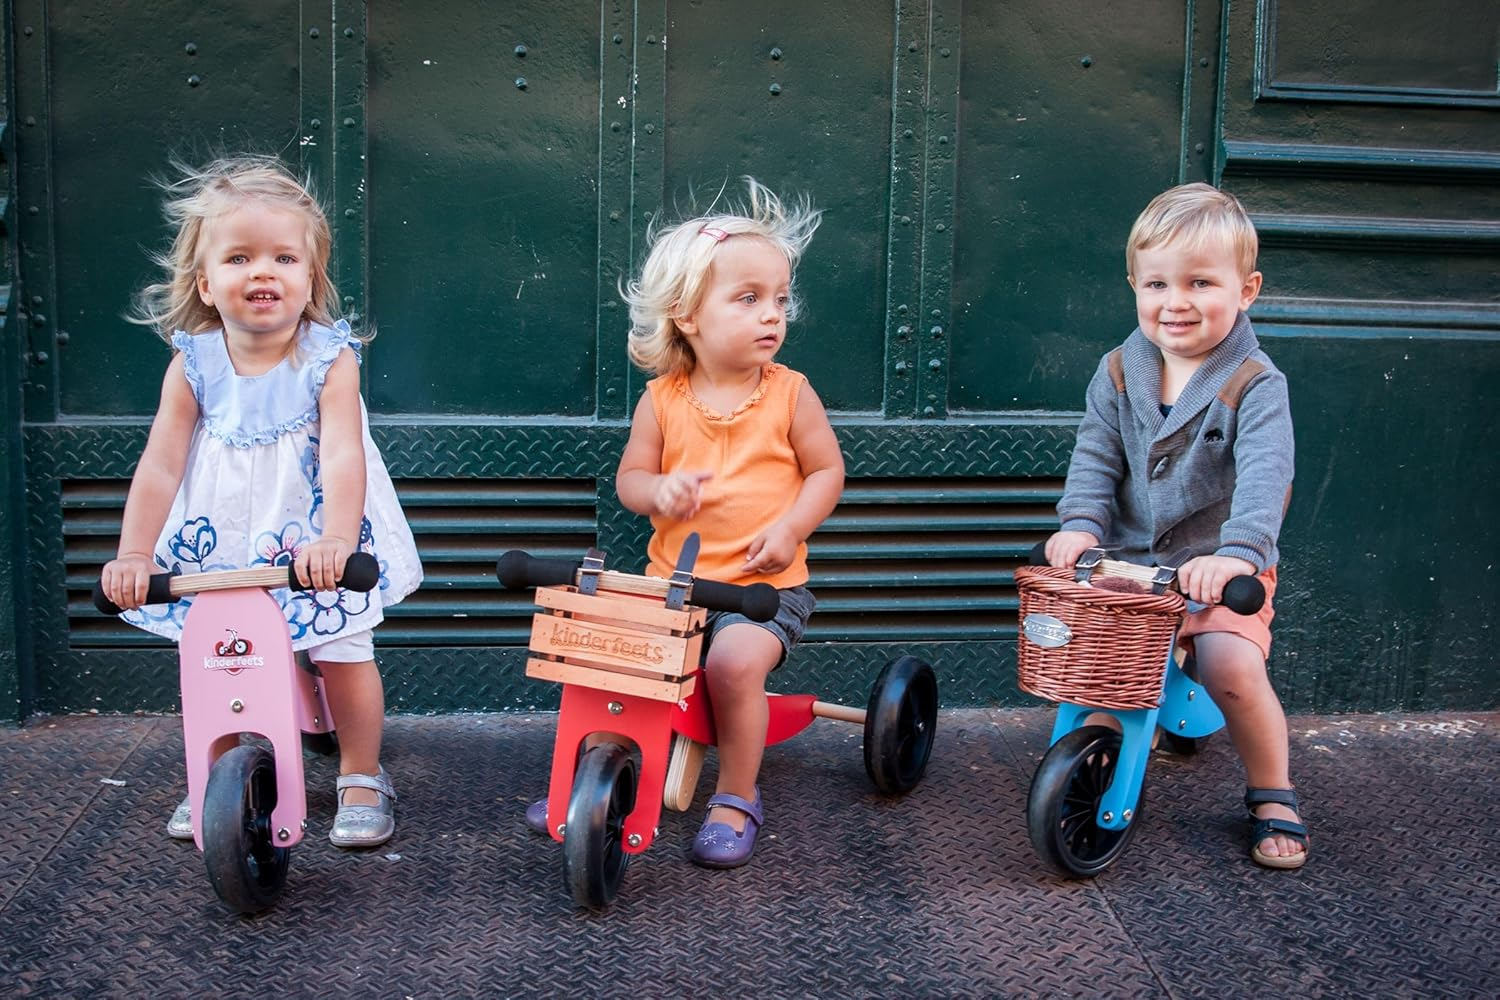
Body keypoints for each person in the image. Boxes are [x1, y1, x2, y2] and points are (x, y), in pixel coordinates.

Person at [100, 155, 422, 849]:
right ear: (205, 283)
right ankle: (214, 768)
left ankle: (361, 772)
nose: (262, 272)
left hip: (311, 534)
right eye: (239, 258)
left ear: (311, 278)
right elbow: (160, 463)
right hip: (221, 539)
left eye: (284, 257)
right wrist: (134, 552)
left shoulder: (327, 359)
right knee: (218, 653)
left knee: (340, 647)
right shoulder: (193, 363)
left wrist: (337, 540)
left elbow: (343, 454)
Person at [526, 179, 844, 868]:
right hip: (672, 590)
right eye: (748, 298)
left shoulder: (791, 394)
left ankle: (736, 794)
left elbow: (827, 472)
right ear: (687, 314)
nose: (772, 314)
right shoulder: (662, 400)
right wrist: (659, 491)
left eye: (780, 298)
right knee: (614, 653)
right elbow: (631, 481)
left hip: (762, 593)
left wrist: (791, 528)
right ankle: (593, 775)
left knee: (731, 663)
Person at [1044, 182, 1307, 869]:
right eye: (1158, 283)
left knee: (1230, 667)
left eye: (1200, 283)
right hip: (1130, 562)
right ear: (1135, 285)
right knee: (1097, 678)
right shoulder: (1118, 371)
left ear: (1247, 291)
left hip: (1219, 566)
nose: (1176, 302)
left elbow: (1267, 475)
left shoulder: (1254, 383)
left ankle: (1272, 792)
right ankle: (1097, 756)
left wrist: (1239, 555)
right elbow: (1096, 456)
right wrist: (1081, 525)